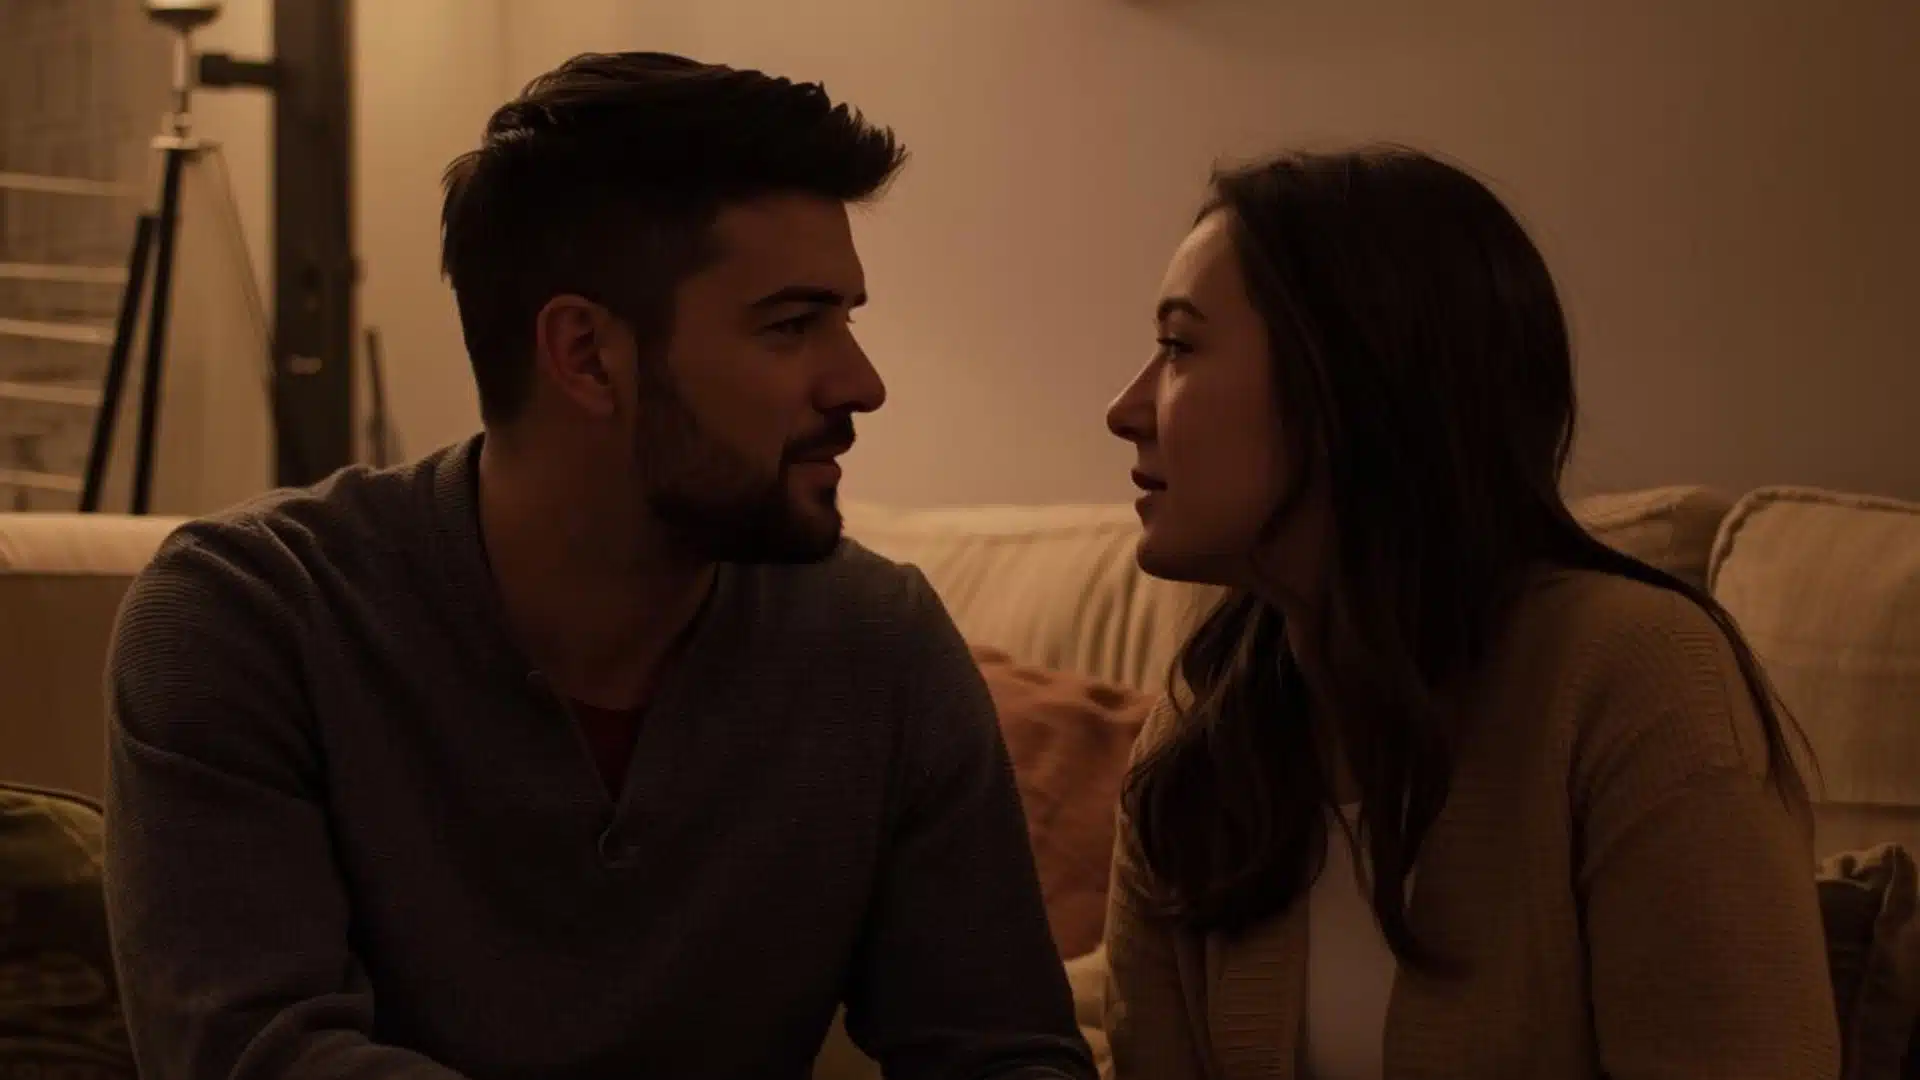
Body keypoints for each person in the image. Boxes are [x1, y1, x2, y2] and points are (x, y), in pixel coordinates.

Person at [104, 52, 1093, 1080]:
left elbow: (1008, 1054)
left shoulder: (878, 646)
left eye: (849, 320)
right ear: (585, 355)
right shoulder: (247, 619)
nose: (861, 382)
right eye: (793, 325)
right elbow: (256, 1056)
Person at [1099, 147, 1840, 1079]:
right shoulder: (1198, 739)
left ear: (1351, 378)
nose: (1125, 409)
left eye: (1178, 347)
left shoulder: (1637, 680)